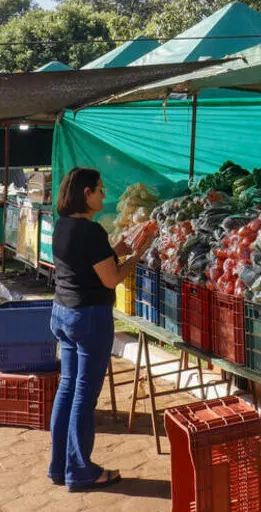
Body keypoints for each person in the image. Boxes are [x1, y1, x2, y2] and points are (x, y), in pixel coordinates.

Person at [49, 167, 157, 492]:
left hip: (62, 313)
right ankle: (81, 470)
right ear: (87, 193)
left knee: (67, 390)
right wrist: (138, 255)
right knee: (84, 394)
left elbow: (88, 262)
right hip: (89, 318)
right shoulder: (91, 231)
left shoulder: (63, 227)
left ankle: (60, 466)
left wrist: (119, 249)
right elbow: (110, 278)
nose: (103, 195)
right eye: (99, 189)